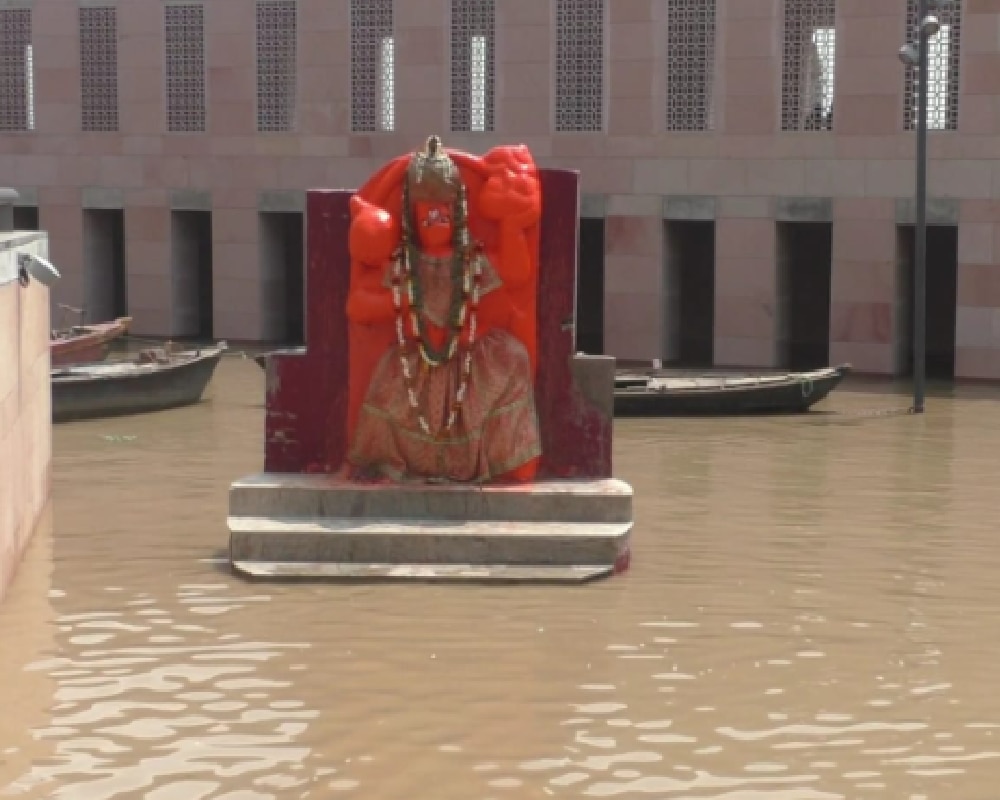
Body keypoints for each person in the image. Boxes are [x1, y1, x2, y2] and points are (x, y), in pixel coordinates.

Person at [346, 136, 542, 483]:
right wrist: (404, 305)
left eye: (444, 210)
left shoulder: (472, 261)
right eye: (426, 211)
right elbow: (357, 306)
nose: (436, 217)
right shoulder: (403, 264)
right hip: (413, 365)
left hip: (472, 361)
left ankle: (498, 463)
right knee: (385, 388)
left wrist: (511, 224)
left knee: (514, 357)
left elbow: (516, 274)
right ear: (411, 215)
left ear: (458, 212)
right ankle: (394, 464)